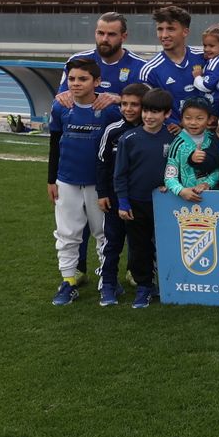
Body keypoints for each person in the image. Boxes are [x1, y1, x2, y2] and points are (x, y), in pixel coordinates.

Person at [46, 58, 120, 305]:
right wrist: (51, 179)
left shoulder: (110, 110)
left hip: (98, 185)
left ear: (97, 82)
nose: (76, 84)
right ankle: (68, 281)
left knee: (103, 234)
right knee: (67, 233)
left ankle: (107, 281)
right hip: (66, 180)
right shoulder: (60, 107)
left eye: (82, 79)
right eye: (72, 79)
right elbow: (55, 143)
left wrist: (117, 98)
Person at [113, 87, 176, 311]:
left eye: (156, 112)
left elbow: (178, 168)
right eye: (146, 111)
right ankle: (144, 287)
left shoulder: (173, 138)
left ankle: (168, 284)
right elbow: (120, 174)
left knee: (165, 245)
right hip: (136, 202)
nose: (149, 116)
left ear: (167, 114)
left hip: (164, 203)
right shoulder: (128, 139)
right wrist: (123, 202)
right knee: (139, 247)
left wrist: (170, 185)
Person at [95, 81, 148, 306]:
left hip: (143, 200)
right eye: (124, 104)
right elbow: (101, 163)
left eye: (134, 104)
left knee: (142, 244)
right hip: (116, 199)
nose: (128, 109)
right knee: (113, 243)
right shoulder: (113, 130)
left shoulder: (153, 130)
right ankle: (108, 284)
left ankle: (144, 283)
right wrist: (102, 192)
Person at [56, 12, 146, 109]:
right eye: (100, 33)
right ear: (95, 33)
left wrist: (121, 100)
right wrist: (64, 97)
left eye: (111, 34)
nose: (104, 39)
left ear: (123, 37)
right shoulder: (77, 60)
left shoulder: (141, 67)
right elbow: (62, 96)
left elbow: (148, 106)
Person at [138, 6, 200, 120]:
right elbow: (149, 110)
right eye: (160, 29)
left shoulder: (204, 57)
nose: (164, 35)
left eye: (171, 29)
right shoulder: (149, 70)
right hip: (172, 133)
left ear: (185, 32)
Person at [165, 97, 219, 201]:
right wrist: (181, 191)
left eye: (199, 118)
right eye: (188, 118)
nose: (193, 122)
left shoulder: (213, 139)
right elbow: (170, 176)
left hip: (214, 198)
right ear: (181, 119)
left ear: (210, 119)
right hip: (186, 201)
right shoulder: (177, 144)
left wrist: (208, 184)